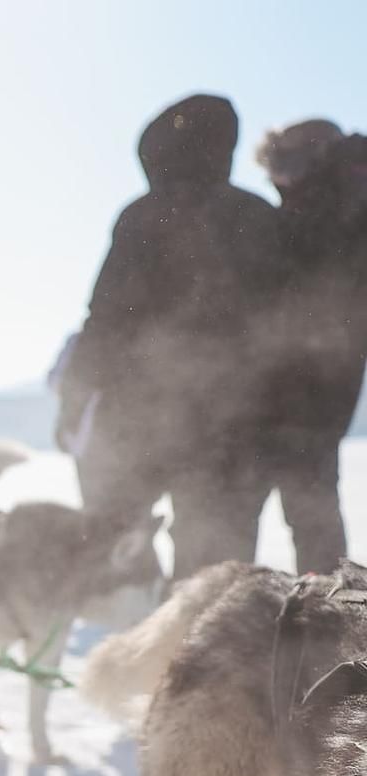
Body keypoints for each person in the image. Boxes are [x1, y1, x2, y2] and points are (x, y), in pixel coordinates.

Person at [58, 94, 285, 580]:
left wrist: (74, 399)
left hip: (142, 419)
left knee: (119, 544)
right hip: (232, 427)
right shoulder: (258, 215)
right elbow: (291, 326)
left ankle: (141, 639)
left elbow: (105, 318)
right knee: (212, 579)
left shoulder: (143, 214)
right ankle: (195, 648)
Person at [256, 121, 366, 573]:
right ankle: (334, 630)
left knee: (229, 518)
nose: (276, 184)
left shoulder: (315, 211)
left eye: (278, 170)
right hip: (329, 396)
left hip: (285, 393)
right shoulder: (352, 201)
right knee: (316, 519)